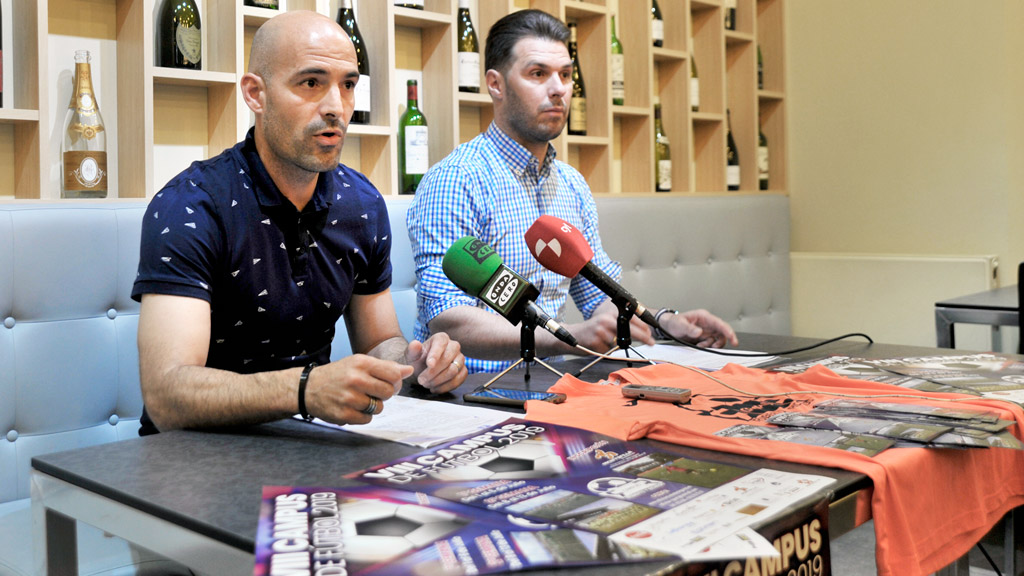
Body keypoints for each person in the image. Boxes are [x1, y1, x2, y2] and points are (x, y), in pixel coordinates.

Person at [132, 11, 466, 436]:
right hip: (193, 461)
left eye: (347, 85)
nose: (335, 108)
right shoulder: (192, 205)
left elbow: (380, 341)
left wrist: (415, 363)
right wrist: (306, 389)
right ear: (256, 94)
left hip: (310, 446)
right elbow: (167, 397)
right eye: (311, 83)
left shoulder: (361, 203)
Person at [407, 10, 737, 374]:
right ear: (496, 84)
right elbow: (447, 317)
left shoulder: (571, 184)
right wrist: (568, 338)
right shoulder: (456, 179)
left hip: (554, 383)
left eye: (565, 74)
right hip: (469, 391)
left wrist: (662, 322)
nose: (559, 88)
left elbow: (601, 296)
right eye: (538, 74)